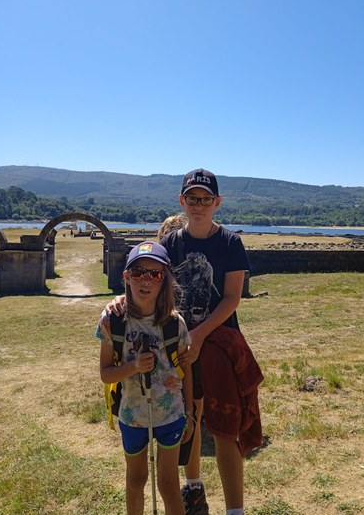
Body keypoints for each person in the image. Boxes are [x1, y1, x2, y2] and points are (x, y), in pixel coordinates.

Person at [107, 169, 263, 515]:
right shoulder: (172, 244)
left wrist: (199, 333)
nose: (199, 205)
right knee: (189, 415)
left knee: (225, 428)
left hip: (215, 341)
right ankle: (193, 486)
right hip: (175, 342)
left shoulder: (230, 243)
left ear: (216, 203)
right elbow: (147, 274)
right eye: (192, 198)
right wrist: (121, 300)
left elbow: (231, 298)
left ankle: (234, 509)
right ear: (182, 201)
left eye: (205, 199)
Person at [96, 241, 194, 515]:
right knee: (135, 480)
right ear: (126, 276)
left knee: (168, 484)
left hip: (171, 414)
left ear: (165, 281)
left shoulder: (175, 323)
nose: (146, 280)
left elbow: (185, 370)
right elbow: (106, 374)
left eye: (155, 274)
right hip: (132, 414)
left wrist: (190, 411)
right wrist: (133, 367)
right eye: (138, 272)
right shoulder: (111, 321)